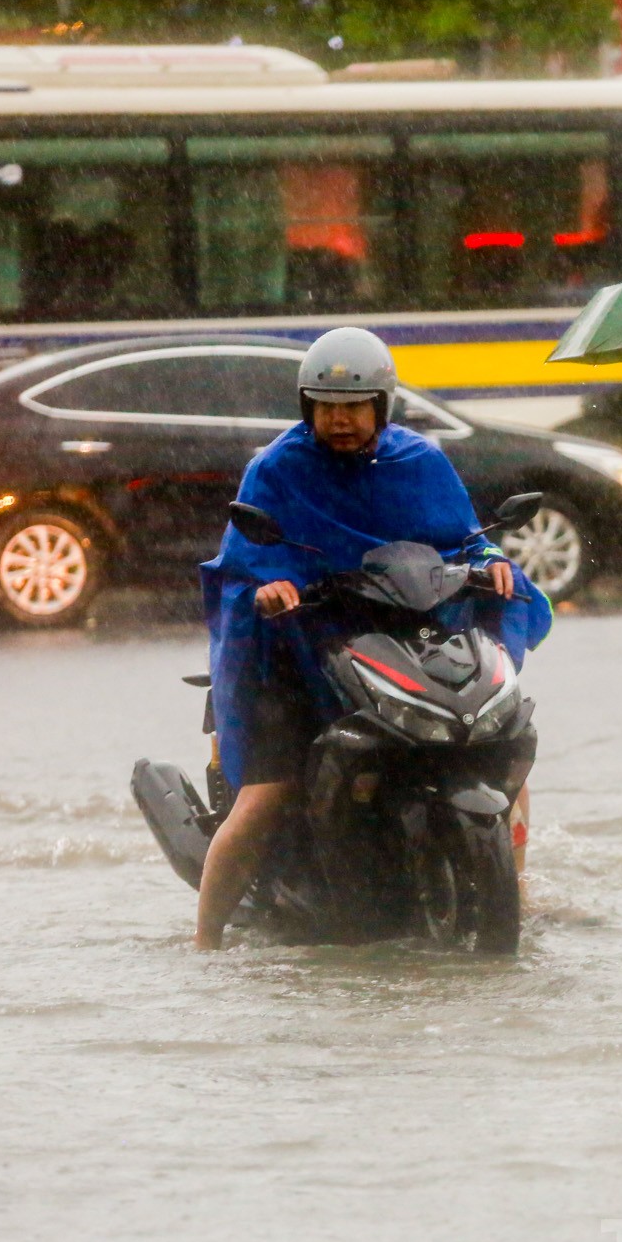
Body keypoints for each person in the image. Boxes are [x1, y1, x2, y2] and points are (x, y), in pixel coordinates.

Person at [194, 327, 552, 950]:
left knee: (498, 743)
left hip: (403, 637)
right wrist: (270, 589)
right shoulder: (276, 470)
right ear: (308, 408)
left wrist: (491, 558)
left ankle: (517, 892)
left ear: (381, 406)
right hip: (300, 646)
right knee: (266, 796)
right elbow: (242, 560)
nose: (340, 420)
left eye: (355, 406)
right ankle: (203, 943)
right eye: (327, 407)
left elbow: (465, 537)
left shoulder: (420, 462)